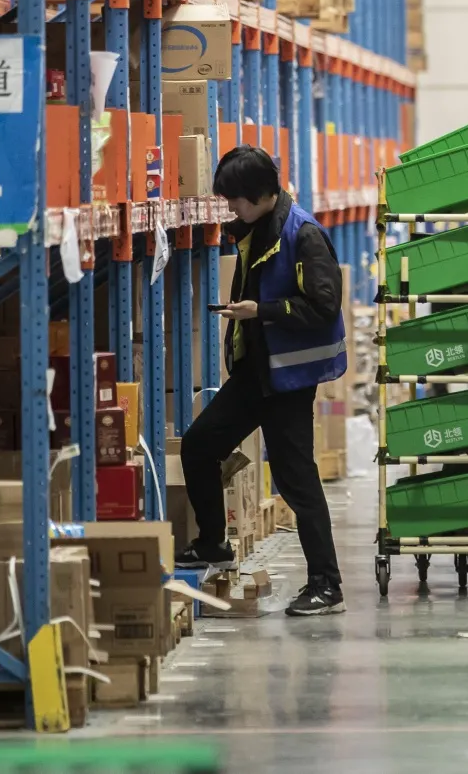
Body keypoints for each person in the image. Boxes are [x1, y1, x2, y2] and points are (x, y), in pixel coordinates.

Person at [176, 146, 347, 617]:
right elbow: (233, 232)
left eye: (234, 199)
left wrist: (261, 311)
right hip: (257, 372)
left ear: (260, 195)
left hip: (289, 381)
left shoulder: (304, 235)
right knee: (199, 444)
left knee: (297, 481)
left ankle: (327, 585)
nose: (230, 207)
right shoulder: (256, 226)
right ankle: (213, 542)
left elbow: (324, 307)